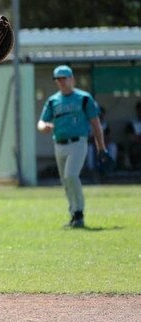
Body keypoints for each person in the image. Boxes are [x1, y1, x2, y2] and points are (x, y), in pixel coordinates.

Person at [37, 65, 109, 228]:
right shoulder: (53, 100)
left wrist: (101, 147)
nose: (61, 82)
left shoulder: (84, 98)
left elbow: (96, 123)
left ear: (72, 79)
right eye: (58, 79)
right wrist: (44, 127)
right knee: (65, 181)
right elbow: (41, 122)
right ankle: (73, 214)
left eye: (64, 78)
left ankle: (79, 212)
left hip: (78, 142)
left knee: (71, 176)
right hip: (59, 144)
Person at [86, 106, 117, 172]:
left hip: (104, 145)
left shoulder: (105, 125)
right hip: (93, 145)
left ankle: (110, 167)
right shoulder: (89, 125)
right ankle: (91, 169)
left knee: (113, 146)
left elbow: (109, 138)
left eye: (101, 114)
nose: (100, 116)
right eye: (98, 114)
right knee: (90, 148)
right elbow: (88, 139)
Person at [123, 100, 141, 170]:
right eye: (139, 110)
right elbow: (130, 137)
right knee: (135, 149)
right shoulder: (132, 123)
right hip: (135, 145)